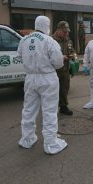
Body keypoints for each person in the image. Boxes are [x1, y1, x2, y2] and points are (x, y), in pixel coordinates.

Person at [17, 16, 67, 155]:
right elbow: (58, 62)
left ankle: (27, 138)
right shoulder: (49, 40)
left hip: (30, 78)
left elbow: (20, 56)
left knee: (28, 109)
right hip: (47, 77)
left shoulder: (24, 39)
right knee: (49, 110)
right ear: (47, 25)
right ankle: (50, 143)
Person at [52, 21, 76, 116]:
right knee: (53, 90)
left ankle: (63, 106)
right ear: (58, 30)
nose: (66, 33)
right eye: (64, 31)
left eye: (67, 31)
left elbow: (73, 51)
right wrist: (61, 57)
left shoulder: (68, 41)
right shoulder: (50, 40)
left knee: (64, 89)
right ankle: (52, 109)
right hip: (53, 71)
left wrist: (73, 55)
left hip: (65, 69)